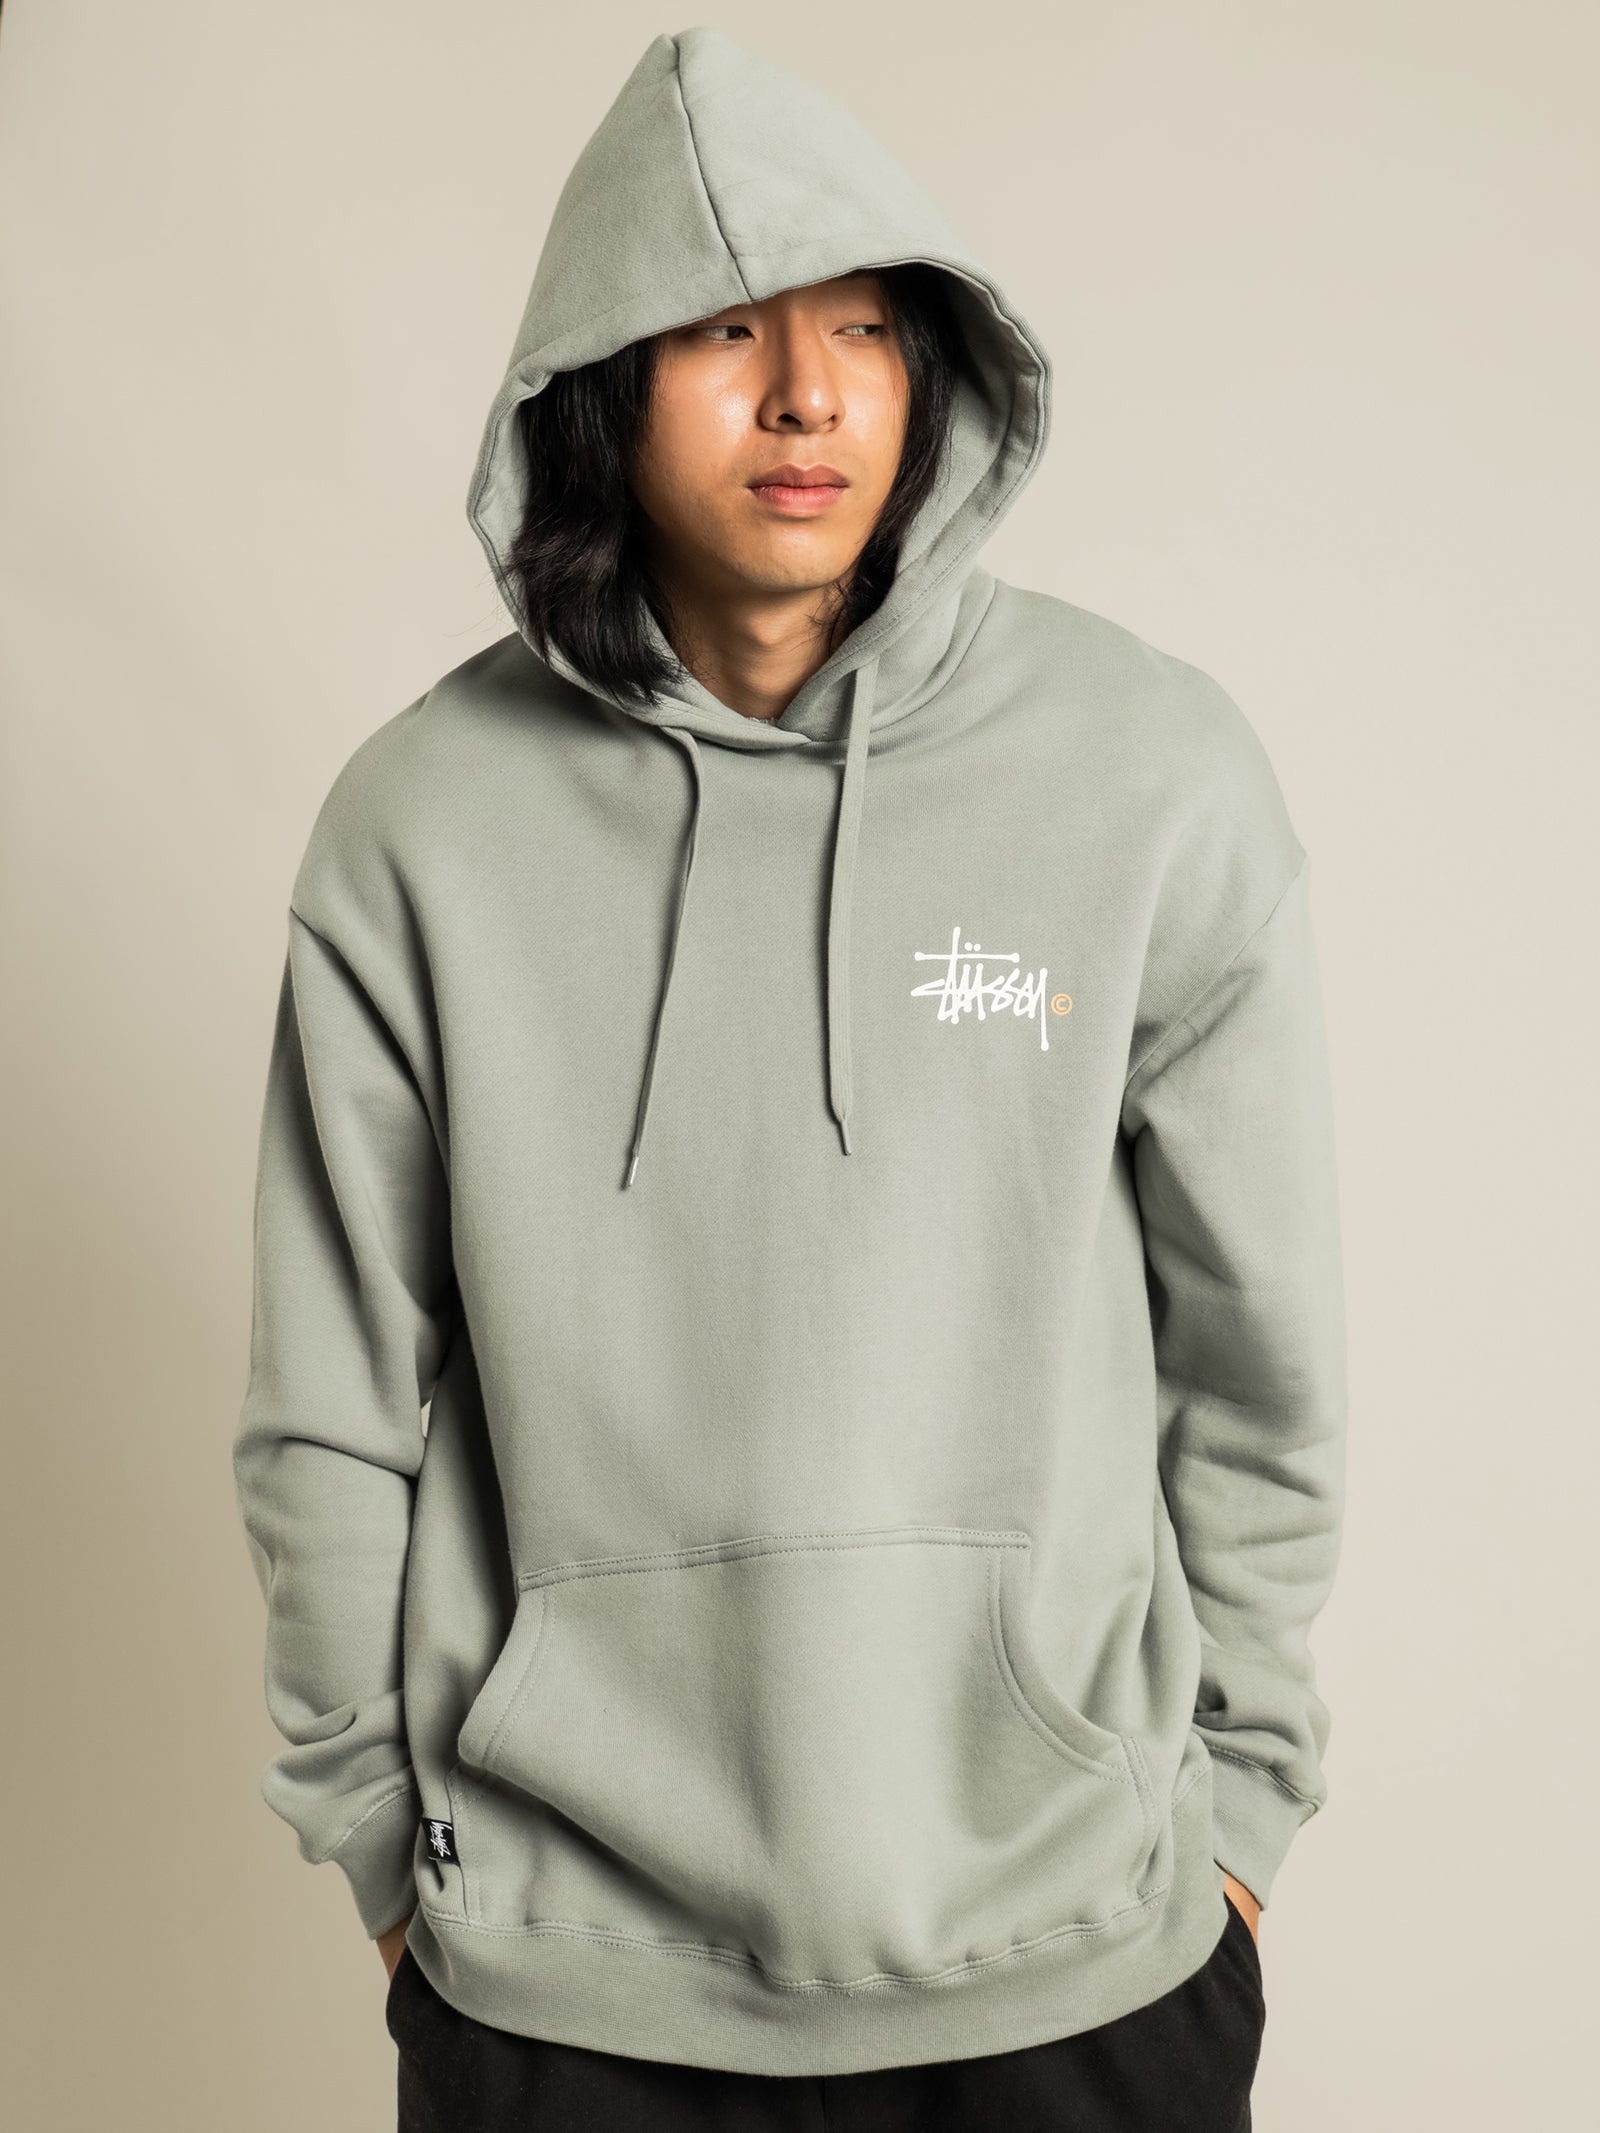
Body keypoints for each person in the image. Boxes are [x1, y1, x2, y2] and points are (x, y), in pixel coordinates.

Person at [232, 25, 1346, 2132]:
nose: (805, 395)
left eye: (861, 328)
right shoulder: (418, 829)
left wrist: (1244, 1815)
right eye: (723, 329)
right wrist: (380, 1847)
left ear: (934, 372)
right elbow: (327, 1402)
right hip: (562, 1978)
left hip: (1079, 1959)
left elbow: (1259, 1357)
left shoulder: (1149, 780)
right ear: (596, 383)